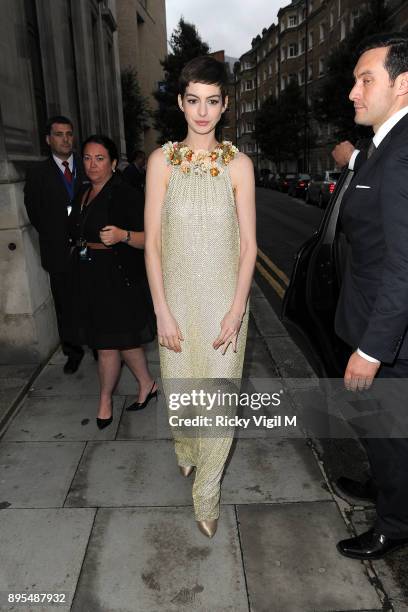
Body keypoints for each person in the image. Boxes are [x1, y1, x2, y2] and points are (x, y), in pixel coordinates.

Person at [144, 56, 257, 538]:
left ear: (225, 104)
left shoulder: (239, 165)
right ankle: (186, 450)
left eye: (212, 102)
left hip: (224, 307)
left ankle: (207, 491)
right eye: (194, 101)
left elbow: (250, 245)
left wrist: (235, 311)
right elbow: (151, 243)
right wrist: (161, 311)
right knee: (182, 396)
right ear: (181, 103)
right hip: (176, 304)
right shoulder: (160, 162)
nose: (203, 112)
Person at [334, 33, 408, 560]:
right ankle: (386, 488)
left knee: (392, 436)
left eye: (366, 80)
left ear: (402, 85)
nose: (354, 92)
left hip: (389, 340)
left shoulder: (402, 157)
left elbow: (405, 266)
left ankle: (395, 522)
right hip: (367, 317)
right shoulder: (382, 147)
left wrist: (372, 350)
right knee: (379, 429)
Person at [67, 135, 156, 429]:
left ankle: (104, 400)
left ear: (114, 163)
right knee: (124, 339)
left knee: (106, 346)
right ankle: (147, 384)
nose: (92, 164)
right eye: (88, 158)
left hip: (117, 279)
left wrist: (122, 236)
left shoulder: (125, 194)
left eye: (100, 158)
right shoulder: (82, 192)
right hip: (89, 276)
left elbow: (152, 240)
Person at [24, 116, 87, 374]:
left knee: (94, 298)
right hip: (58, 251)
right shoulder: (37, 173)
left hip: (90, 248)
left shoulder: (87, 166)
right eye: (59, 134)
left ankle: (99, 345)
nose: (65, 139)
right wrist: (57, 237)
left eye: (69, 134)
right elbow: (34, 212)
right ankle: (73, 351)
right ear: (48, 140)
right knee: (65, 304)